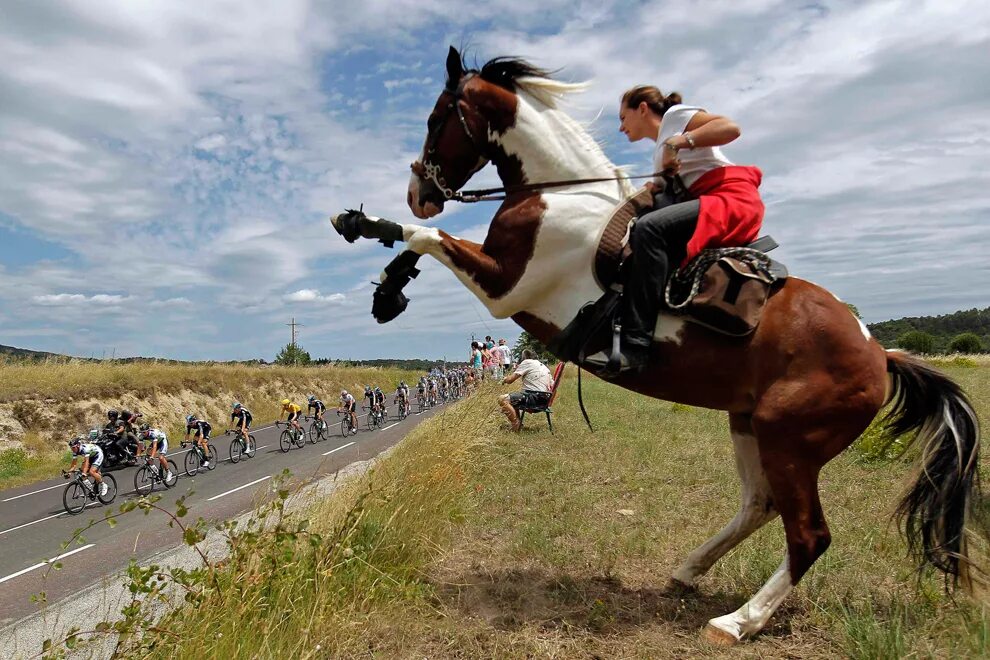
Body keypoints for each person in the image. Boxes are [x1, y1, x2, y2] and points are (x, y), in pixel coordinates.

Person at [597, 85, 764, 375]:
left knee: (650, 229)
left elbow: (730, 127)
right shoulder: (656, 157)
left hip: (730, 199)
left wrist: (680, 142)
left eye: (623, 117)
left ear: (643, 109)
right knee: (642, 234)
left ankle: (636, 346)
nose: (621, 127)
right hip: (708, 201)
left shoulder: (675, 118)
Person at [499, 349, 554, 432]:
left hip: (532, 398)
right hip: (544, 400)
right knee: (514, 398)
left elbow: (510, 380)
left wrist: (504, 379)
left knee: (502, 399)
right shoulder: (544, 366)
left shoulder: (527, 362)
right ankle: (518, 423)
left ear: (525, 357)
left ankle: (516, 424)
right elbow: (552, 385)